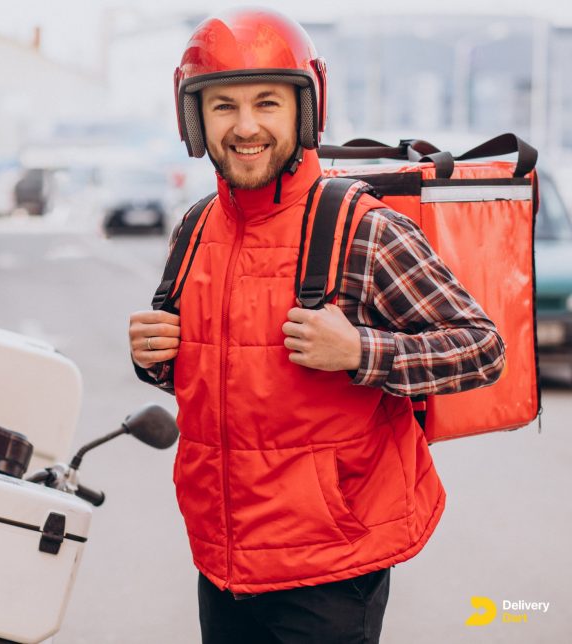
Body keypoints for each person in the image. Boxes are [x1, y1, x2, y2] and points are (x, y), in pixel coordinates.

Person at [128, 8, 505, 644]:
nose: (246, 127)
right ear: (194, 118)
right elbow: (230, 384)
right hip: (224, 561)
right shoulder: (195, 230)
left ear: (305, 108)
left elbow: (482, 349)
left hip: (331, 565)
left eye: (267, 103)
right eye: (223, 107)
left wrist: (361, 350)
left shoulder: (364, 228)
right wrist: (157, 358)